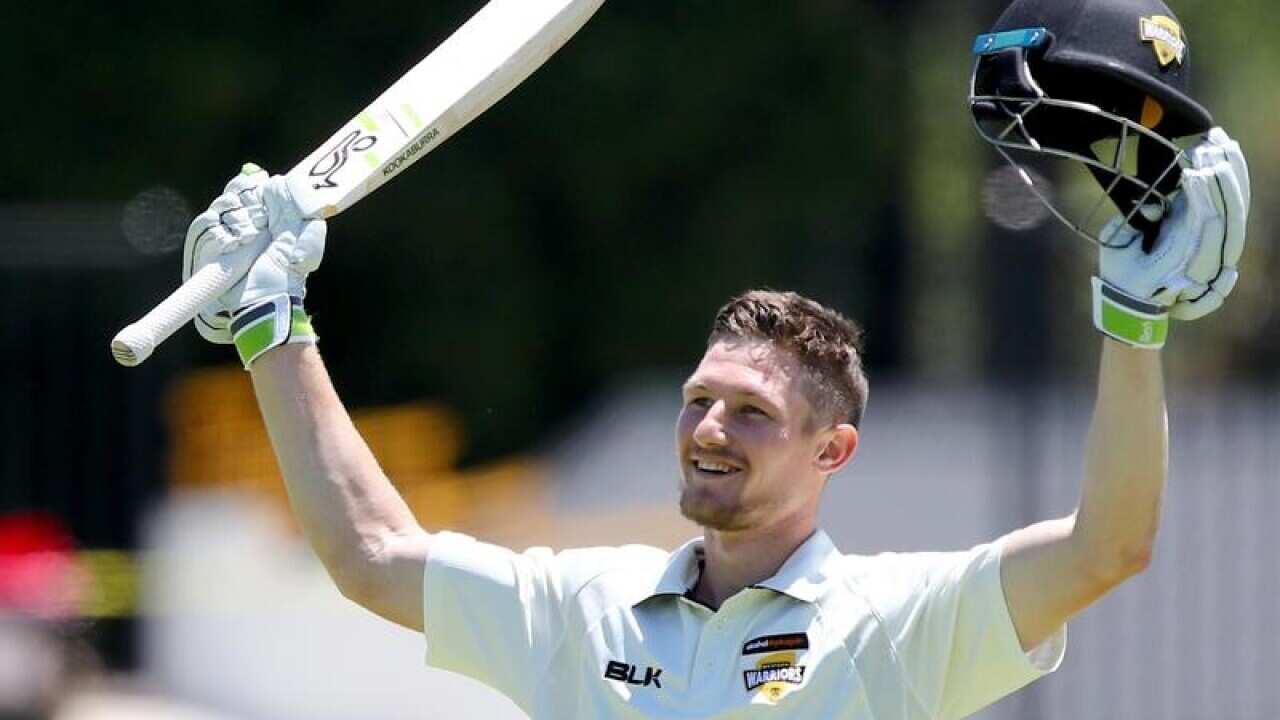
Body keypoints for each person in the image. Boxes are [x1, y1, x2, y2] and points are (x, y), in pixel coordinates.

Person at [179, 4, 1249, 717]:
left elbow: (1109, 545)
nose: (706, 429)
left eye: (748, 413)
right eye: (699, 400)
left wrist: (1131, 328)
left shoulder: (900, 624)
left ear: (834, 450)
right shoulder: (576, 608)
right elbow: (369, 553)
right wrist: (275, 326)